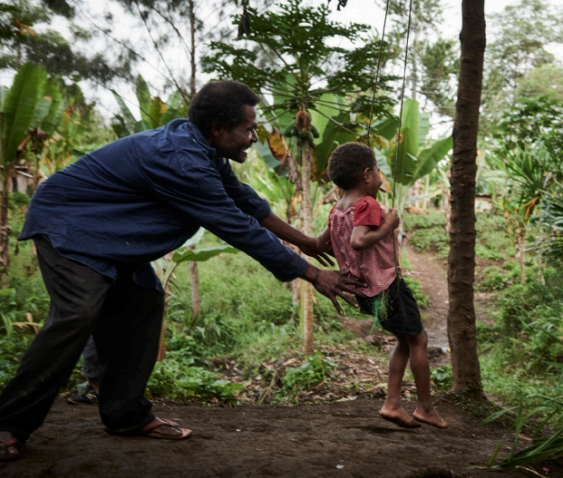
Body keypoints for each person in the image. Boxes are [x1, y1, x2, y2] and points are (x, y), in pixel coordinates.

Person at [0, 80, 363, 461]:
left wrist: (305, 241)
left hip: (111, 235)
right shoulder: (182, 160)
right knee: (78, 313)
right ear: (218, 130)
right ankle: (9, 422)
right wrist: (313, 274)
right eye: (248, 129)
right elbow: (235, 226)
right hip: (69, 225)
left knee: (144, 301)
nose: (253, 138)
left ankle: (125, 414)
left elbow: (246, 203)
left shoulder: (205, 151)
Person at [317, 142, 447, 429]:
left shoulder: (338, 209)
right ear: (366, 175)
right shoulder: (367, 204)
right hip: (387, 287)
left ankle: (393, 403)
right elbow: (358, 240)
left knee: (405, 339)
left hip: (364, 289)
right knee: (419, 339)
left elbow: (322, 243)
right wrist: (389, 225)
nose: (380, 177)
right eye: (377, 171)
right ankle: (423, 408)